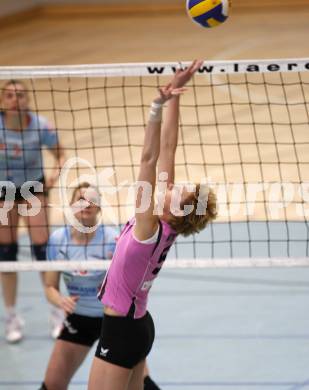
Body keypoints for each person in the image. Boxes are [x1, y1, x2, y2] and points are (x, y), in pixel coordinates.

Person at [88, 60, 217, 390]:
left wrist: (156, 107)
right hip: (136, 326)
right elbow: (168, 148)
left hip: (121, 332)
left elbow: (148, 158)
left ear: (177, 212)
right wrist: (175, 94)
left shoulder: (149, 226)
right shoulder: (165, 223)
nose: (170, 186)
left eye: (177, 190)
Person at [41, 182, 161, 390]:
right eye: (80, 200)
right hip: (80, 318)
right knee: (51, 385)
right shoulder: (58, 241)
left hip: (116, 320)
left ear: (99, 208)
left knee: (143, 383)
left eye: (92, 201)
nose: (86, 204)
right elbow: (50, 286)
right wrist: (60, 300)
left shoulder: (114, 240)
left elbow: (134, 281)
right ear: (70, 206)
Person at [0, 80, 65, 343]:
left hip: (33, 187)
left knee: (42, 250)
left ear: (28, 99)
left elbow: (61, 154)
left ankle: (55, 312)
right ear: (3, 101)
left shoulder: (40, 125)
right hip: (4, 190)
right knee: (6, 253)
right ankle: (12, 315)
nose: (16, 100)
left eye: (21, 95)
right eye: (10, 96)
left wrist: (54, 176)